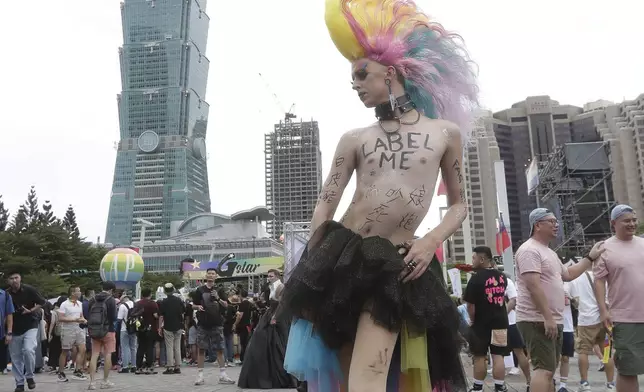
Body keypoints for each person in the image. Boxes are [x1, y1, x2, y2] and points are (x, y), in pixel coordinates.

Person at [279, 1, 479, 391]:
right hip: (342, 256)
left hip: (399, 260)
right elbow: (327, 202)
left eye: (361, 74)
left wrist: (431, 241)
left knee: (370, 370)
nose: (355, 85)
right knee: (347, 367)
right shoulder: (355, 138)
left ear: (390, 71)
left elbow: (459, 204)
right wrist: (319, 258)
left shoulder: (445, 133)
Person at [514, 208, 605, 392]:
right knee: (543, 370)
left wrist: (589, 257)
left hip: (552, 319)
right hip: (536, 319)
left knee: (549, 370)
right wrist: (547, 317)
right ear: (537, 225)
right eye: (551, 222)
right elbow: (533, 285)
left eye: (556, 222)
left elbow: (569, 274)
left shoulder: (550, 252)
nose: (556, 225)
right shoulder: (529, 250)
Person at [594, 204, 644, 392]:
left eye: (634, 220)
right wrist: (603, 310)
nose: (632, 224)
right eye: (626, 221)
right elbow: (598, 281)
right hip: (625, 319)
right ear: (613, 223)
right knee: (628, 369)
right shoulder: (604, 248)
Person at [238, 270, 297, 388]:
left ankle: (283, 377)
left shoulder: (281, 286)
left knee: (279, 345)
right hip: (269, 316)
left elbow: (283, 304)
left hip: (277, 318)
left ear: (277, 276)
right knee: (263, 343)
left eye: (271, 276)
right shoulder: (271, 287)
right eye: (268, 276)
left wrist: (276, 317)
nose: (268, 278)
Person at [463, 246, 510, 392]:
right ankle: (499, 387)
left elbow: (470, 305)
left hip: (481, 324)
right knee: (498, 356)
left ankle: (477, 388)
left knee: (479, 356)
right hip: (500, 322)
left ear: (482, 259)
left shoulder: (475, 279)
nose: (473, 261)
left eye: (474, 258)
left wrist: (472, 319)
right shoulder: (502, 277)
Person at [569, 257, 615, 391]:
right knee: (606, 351)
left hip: (585, 320)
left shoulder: (577, 278)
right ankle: (610, 383)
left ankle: (584, 383)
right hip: (603, 320)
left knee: (583, 351)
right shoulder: (604, 277)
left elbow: (572, 297)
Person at [192, 268, 234, 385]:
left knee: (220, 349)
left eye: (213, 274)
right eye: (209, 273)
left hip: (217, 323)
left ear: (216, 276)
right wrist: (197, 307)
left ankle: (223, 374)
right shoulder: (199, 290)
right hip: (203, 324)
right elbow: (193, 305)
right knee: (201, 349)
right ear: (206, 275)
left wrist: (218, 298)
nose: (210, 275)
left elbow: (226, 305)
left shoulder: (220, 290)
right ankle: (200, 376)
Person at [7, 271, 46, 392]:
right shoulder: (6, 294)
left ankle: (29, 376)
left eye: (16, 277)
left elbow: (42, 302)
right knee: (16, 357)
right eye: (11, 278)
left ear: (20, 278)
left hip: (30, 324)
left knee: (28, 350)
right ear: (8, 280)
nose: (14, 280)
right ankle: (19, 383)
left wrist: (31, 310)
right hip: (13, 328)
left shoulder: (29, 290)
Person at [87, 281, 117, 390]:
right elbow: (114, 317)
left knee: (94, 354)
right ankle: (105, 381)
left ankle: (92, 382)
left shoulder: (93, 299)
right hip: (108, 330)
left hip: (95, 331)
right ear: (111, 290)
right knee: (107, 354)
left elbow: (88, 314)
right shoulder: (111, 300)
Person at [56, 286, 87, 382]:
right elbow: (61, 318)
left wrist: (84, 320)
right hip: (68, 329)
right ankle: (61, 372)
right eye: (78, 291)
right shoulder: (64, 304)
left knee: (82, 349)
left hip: (79, 329)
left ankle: (77, 370)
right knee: (65, 351)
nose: (80, 293)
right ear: (72, 293)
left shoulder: (80, 304)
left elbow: (81, 316)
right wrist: (74, 320)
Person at [504, 276, 531, 388]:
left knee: (518, 352)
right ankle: (500, 384)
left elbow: (514, 300)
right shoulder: (506, 281)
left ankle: (529, 380)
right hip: (505, 323)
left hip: (510, 323)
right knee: (499, 355)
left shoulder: (507, 282)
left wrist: (503, 315)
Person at [159, 283, 185, 375]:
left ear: (165, 291)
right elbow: (182, 313)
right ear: (173, 290)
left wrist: (159, 327)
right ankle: (177, 366)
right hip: (178, 326)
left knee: (169, 347)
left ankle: (170, 366)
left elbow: (161, 316)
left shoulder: (164, 302)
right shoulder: (179, 300)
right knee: (177, 347)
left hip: (168, 326)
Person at [135, 288, 159, 374]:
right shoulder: (153, 304)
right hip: (150, 328)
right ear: (150, 294)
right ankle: (149, 367)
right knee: (150, 347)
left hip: (140, 328)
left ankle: (138, 367)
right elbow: (156, 315)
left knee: (140, 347)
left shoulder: (138, 303)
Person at [0, 282, 14, 377]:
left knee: (2, 350)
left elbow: (9, 314)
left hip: (1, 330)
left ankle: (3, 367)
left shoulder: (5, 295)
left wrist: (9, 332)